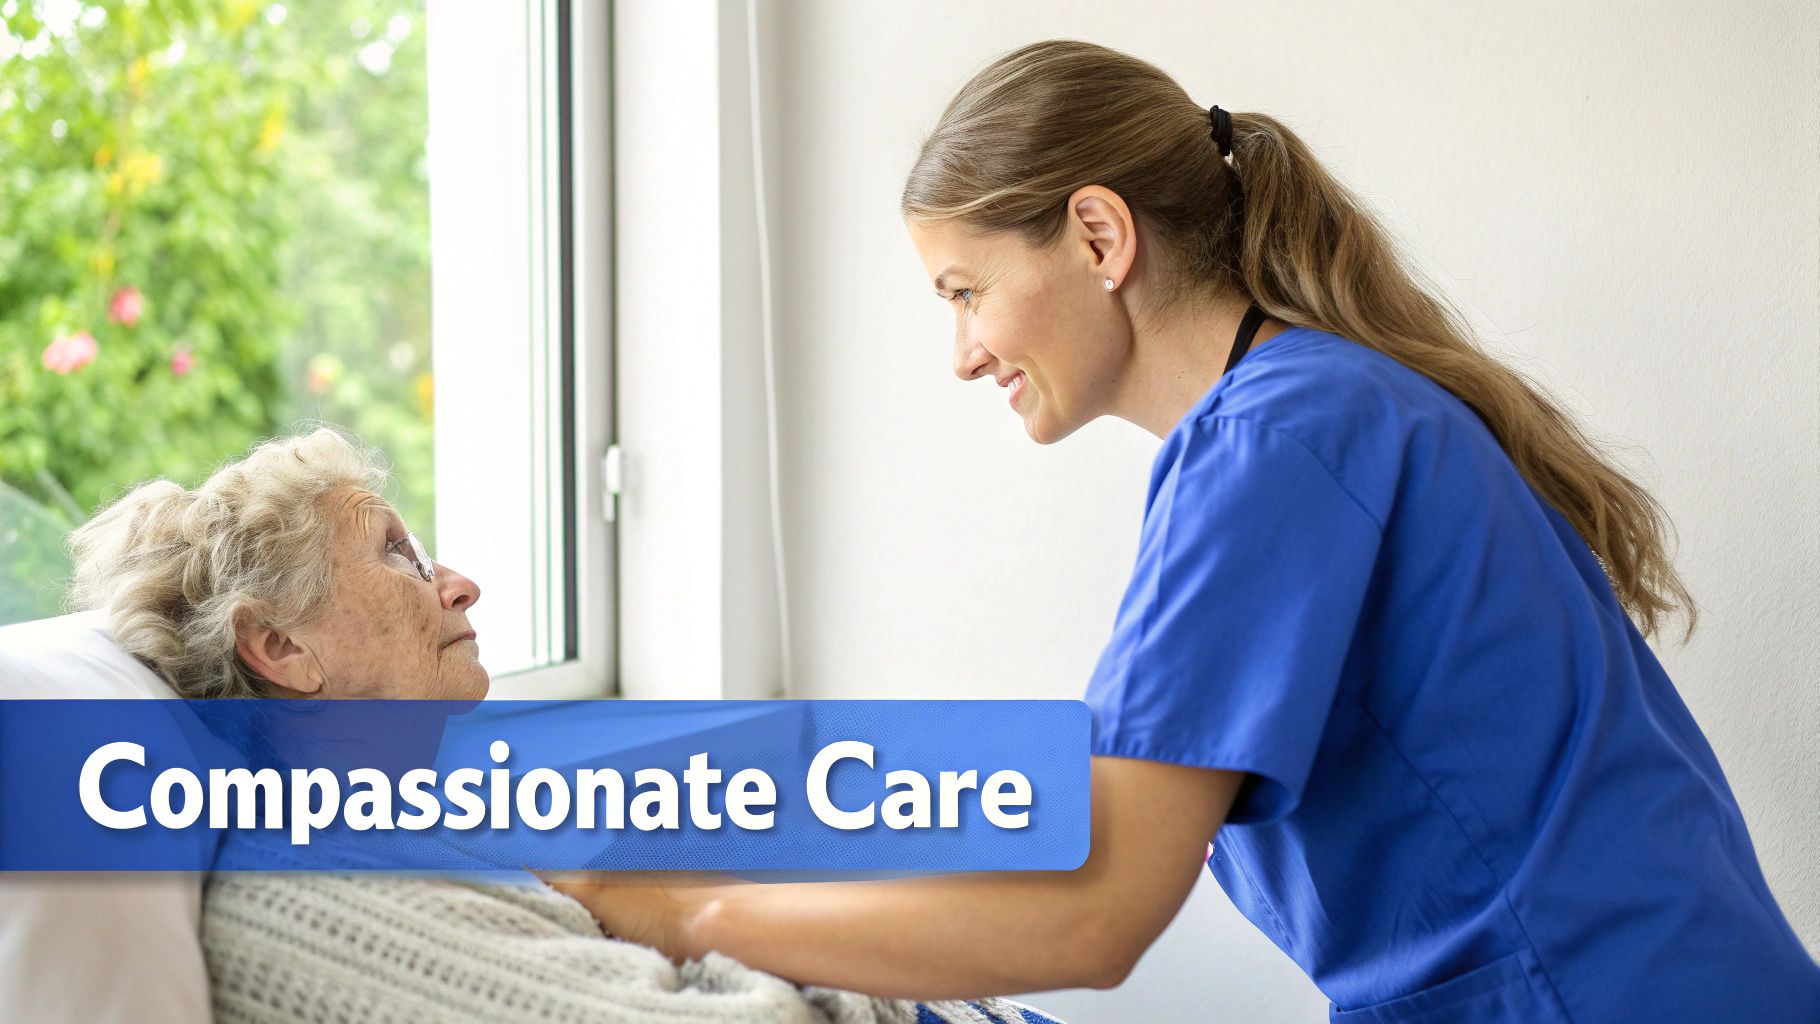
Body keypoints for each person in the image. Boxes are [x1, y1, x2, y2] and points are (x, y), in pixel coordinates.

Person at [546, 39, 1820, 1021]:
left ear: (1097, 235)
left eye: (965, 291)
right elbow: (1088, 802)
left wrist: (687, 910)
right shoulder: (1317, 412)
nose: (962, 352)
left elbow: (1093, 908)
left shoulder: (1278, 440)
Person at [68, 426, 1057, 1024]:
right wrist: (671, 911)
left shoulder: (411, 828)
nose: (459, 583)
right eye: (401, 557)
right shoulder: (310, 880)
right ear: (280, 648)